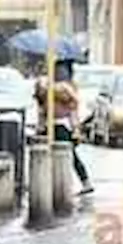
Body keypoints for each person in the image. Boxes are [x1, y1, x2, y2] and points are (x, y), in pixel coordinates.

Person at [35, 62, 94, 195]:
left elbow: (71, 109)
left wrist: (76, 130)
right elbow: (42, 110)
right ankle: (53, 182)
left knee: (68, 155)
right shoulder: (48, 88)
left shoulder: (62, 89)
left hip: (60, 125)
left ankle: (81, 182)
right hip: (53, 125)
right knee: (54, 155)